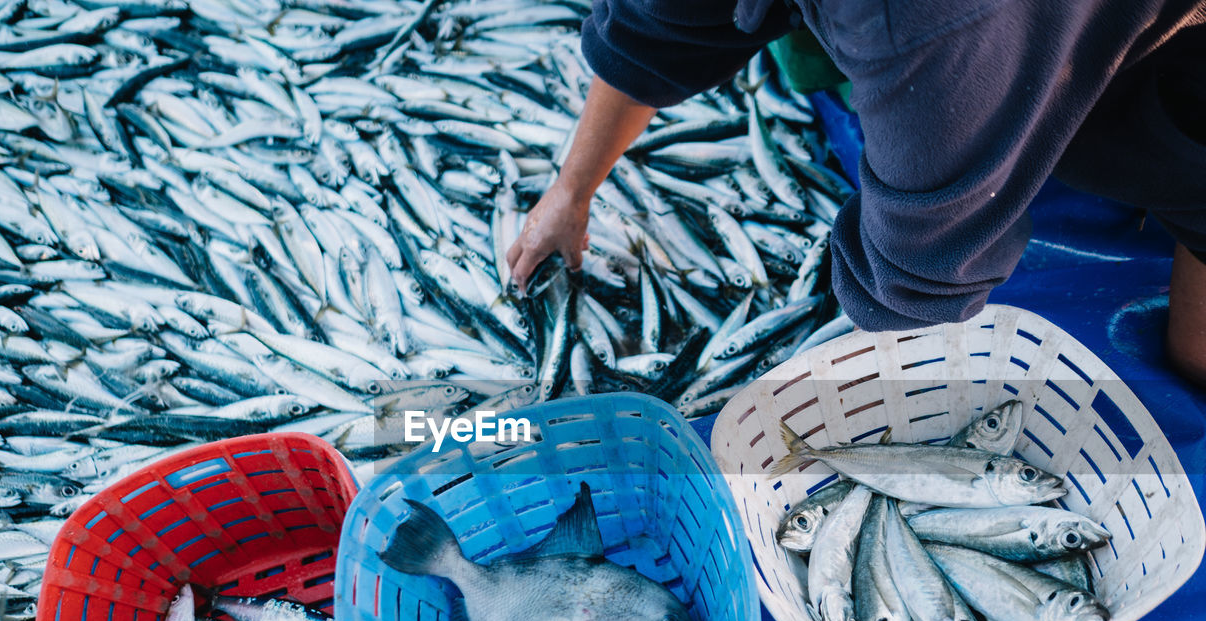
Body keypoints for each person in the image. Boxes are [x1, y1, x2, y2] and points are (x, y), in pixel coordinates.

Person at [505, 0, 1206, 383]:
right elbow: (655, 28)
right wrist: (571, 191)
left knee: (1194, 355)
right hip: (978, 46)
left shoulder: (919, 30)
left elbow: (926, 266)